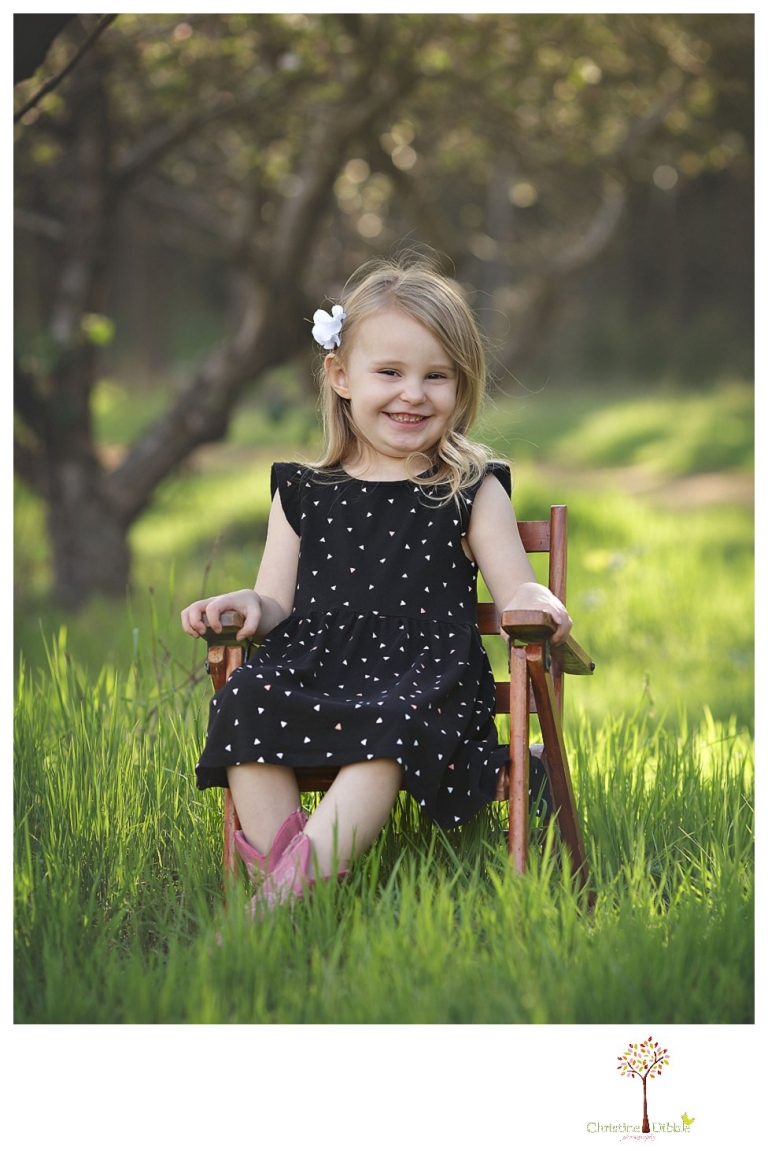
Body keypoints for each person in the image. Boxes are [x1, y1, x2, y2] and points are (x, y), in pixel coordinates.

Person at [181, 256, 572, 914]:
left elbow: (515, 591)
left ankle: (268, 911)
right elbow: (274, 600)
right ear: (340, 376)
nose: (413, 393)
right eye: (389, 372)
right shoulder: (302, 491)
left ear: (462, 385)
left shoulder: (470, 487)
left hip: (423, 684)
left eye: (436, 376)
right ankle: (295, 900)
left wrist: (536, 600)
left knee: (387, 726)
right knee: (244, 695)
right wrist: (246, 604)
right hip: (320, 671)